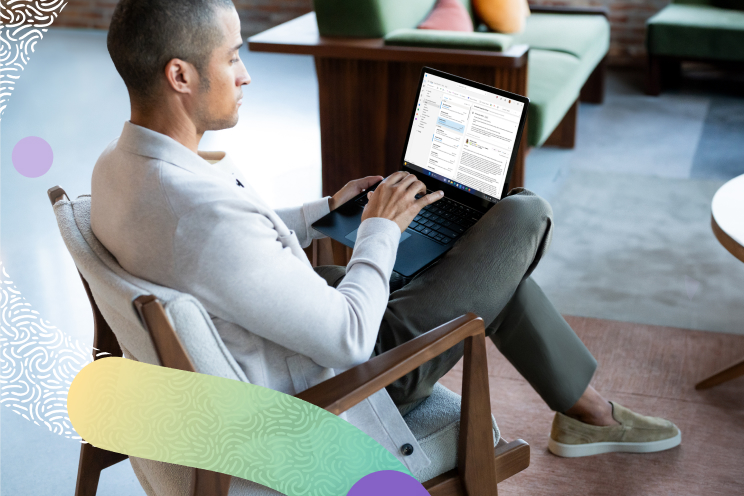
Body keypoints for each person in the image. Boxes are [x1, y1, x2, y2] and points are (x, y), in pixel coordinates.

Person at [92, 0, 681, 490]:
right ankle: (590, 413)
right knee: (519, 216)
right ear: (180, 75)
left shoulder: (121, 170)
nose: (244, 73)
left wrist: (327, 209)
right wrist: (382, 229)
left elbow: (229, 241)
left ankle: (586, 409)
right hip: (349, 384)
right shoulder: (201, 218)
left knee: (474, 252)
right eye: (233, 55)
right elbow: (347, 340)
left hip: (283, 333)